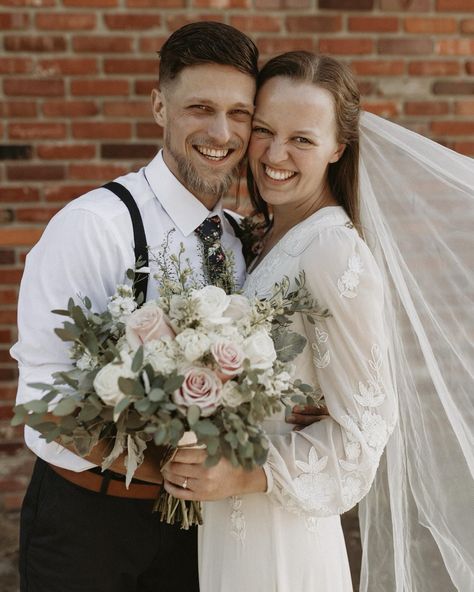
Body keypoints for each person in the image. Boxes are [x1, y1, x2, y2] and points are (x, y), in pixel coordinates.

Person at [162, 52, 473, 591]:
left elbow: (366, 432)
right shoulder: (262, 238)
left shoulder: (333, 251)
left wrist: (250, 472)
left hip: (280, 527)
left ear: (338, 148)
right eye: (263, 130)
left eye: (302, 139)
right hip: (228, 520)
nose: (275, 154)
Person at [10, 22, 262, 592]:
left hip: (205, 532)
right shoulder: (94, 227)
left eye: (239, 113)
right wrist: (165, 469)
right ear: (158, 106)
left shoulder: (241, 241)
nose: (221, 132)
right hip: (91, 531)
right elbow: (42, 409)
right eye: (200, 107)